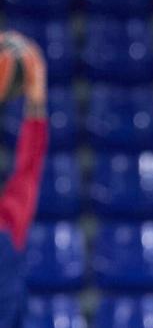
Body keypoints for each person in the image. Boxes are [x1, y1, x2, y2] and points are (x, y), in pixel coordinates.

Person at [0, 32, 50, 327]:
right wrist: (36, 101)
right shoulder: (9, 222)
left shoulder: (8, 220)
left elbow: (29, 166)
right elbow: (29, 167)